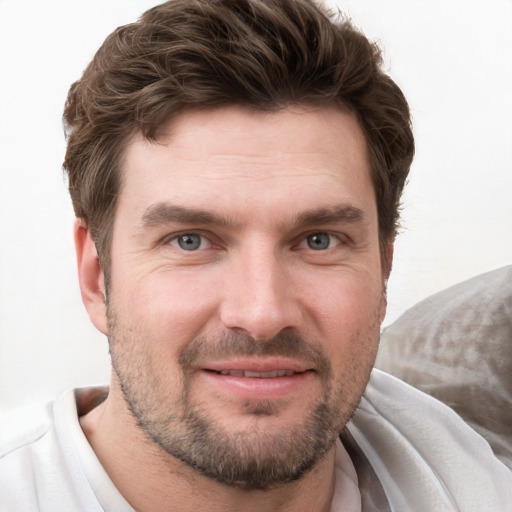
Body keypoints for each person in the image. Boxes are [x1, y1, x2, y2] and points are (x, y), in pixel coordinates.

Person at [0, 0, 510, 510]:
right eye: (191, 240)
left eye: (319, 240)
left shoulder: (462, 475)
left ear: (383, 269)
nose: (263, 314)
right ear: (96, 277)